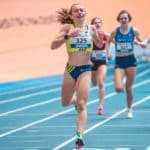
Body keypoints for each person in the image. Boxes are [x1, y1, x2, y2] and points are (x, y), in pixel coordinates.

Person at [50, 3, 102, 149]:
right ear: (71, 15)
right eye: (76, 10)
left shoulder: (91, 28)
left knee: (82, 104)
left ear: (85, 13)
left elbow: (98, 42)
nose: (79, 12)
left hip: (85, 69)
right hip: (71, 69)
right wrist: (68, 36)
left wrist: (97, 36)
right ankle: (74, 102)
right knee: (65, 102)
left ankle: (79, 137)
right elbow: (53, 45)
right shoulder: (67, 28)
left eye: (82, 10)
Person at [107, 10, 147, 118]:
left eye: (125, 18)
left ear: (129, 19)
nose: (123, 20)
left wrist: (139, 43)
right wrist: (108, 52)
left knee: (129, 88)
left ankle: (129, 109)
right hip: (119, 61)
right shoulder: (115, 31)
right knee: (119, 88)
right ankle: (121, 80)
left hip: (130, 61)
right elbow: (108, 41)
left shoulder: (134, 31)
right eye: (121, 18)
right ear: (119, 20)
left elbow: (143, 43)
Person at [90, 17, 110, 115]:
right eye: (95, 22)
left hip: (102, 61)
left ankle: (100, 107)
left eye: (99, 22)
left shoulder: (106, 35)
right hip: (92, 62)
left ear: (101, 24)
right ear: (92, 25)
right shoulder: (89, 36)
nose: (97, 24)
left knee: (101, 82)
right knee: (94, 83)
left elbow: (113, 42)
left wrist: (108, 52)